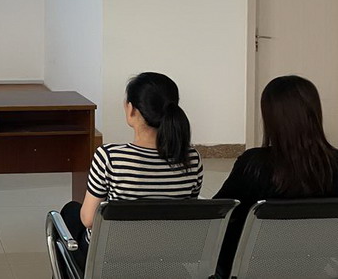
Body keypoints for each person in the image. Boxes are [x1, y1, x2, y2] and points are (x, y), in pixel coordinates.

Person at [60, 72, 203, 271]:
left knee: (71, 213)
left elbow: (89, 220)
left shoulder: (109, 157)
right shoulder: (192, 159)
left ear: (132, 110)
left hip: (110, 260)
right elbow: (187, 213)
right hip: (166, 257)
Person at [213, 75, 338, 278]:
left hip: (251, 269)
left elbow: (219, 213)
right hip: (313, 268)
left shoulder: (254, 164)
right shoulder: (334, 165)